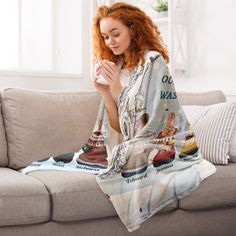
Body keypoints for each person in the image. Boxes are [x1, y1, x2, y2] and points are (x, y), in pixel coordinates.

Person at [92, 2, 169, 135]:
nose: (110, 42)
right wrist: (105, 92)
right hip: (125, 146)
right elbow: (118, 128)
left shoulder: (153, 61)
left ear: (133, 29)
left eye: (115, 34)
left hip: (150, 145)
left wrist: (117, 89)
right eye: (105, 37)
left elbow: (152, 122)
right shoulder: (117, 65)